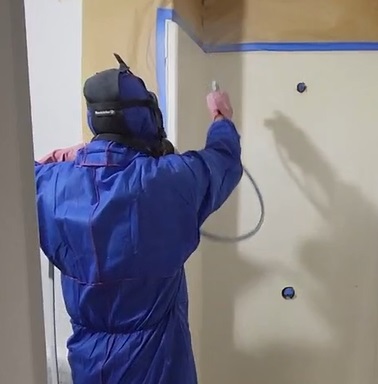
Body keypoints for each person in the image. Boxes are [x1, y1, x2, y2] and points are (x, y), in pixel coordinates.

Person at [34, 54, 243, 384]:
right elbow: (222, 160)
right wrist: (222, 119)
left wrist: (68, 158)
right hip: (158, 365)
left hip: (89, 362)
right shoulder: (169, 181)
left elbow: (20, 171)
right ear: (145, 116)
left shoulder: (48, 183)